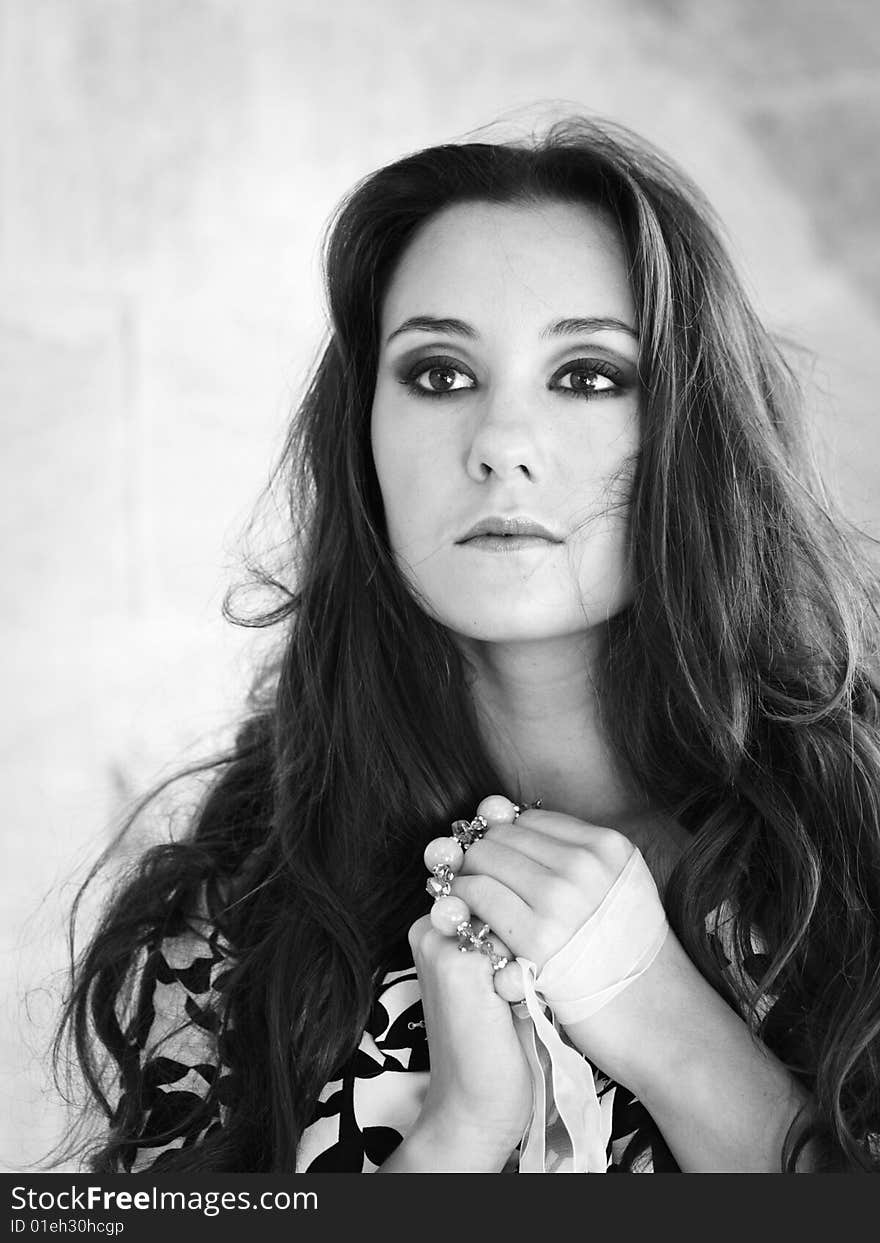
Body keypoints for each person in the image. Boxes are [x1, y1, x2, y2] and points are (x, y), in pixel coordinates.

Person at [55, 116, 880, 1174]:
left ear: (690, 425)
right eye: (439, 374)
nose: (499, 445)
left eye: (586, 375)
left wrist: (653, 1011)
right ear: (361, 436)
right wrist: (457, 1131)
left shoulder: (848, 853)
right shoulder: (237, 911)